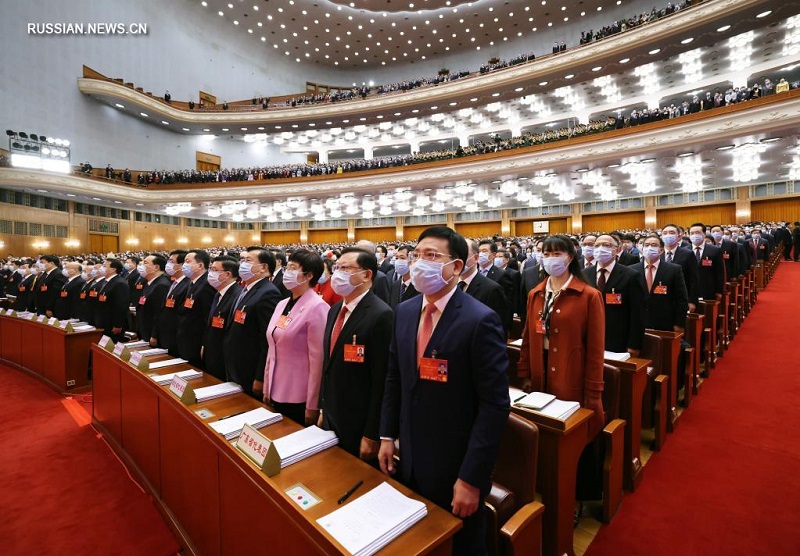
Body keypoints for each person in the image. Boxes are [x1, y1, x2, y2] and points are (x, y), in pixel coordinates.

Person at [379, 226, 509, 555]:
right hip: (410, 452)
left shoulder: (480, 320)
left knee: (461, 545)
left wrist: (471, 478)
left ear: (456, 266)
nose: (420, 263)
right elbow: (394, 377)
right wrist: (385, 434)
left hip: (456, 461)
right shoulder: (405, 312)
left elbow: (494, 406)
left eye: (432, 256)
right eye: (417, 255)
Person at [517, 234, 605, 440]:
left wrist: (593, 390)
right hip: (541, 369)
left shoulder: (589, 295)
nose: (551, 259)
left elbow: (595, 348)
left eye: (557, 254)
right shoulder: (535, 294)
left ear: (570, 258)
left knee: (569, 433)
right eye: (546, 254)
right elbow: (528, 337)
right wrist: (525, 372)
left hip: (571, 372)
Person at [320, 247, 393, 460]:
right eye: (337, 268)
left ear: (367, 274)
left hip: (358, 420)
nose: (337, 274)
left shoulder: (381, 315)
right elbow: (329, 363)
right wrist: (323, 408)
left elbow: (381, 380)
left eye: (345, 268)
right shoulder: (334, 310)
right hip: (332, 413)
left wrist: (372, 434)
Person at [262, 249, 328, 426]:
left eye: (293, 267)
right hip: (275, 386)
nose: (287, 272)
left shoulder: (318, 307)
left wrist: (313, 403)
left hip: (298, 393)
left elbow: (318, 360)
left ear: (308, 276)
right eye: (287, 266)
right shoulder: (282, 303)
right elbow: (272, 347)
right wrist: (267, 385)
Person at [224, 247, 282, 399]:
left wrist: (261, 376)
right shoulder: (247, 289)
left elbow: (267, 339)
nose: (242, 264)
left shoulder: (268, 293)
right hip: (236, 364)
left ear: (263, 267)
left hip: (250, 368)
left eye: (248, 261)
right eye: (242, 260)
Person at [583, 234, 646, 356]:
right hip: (589, 337)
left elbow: (637, 313)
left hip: (618, 341)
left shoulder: (631, 275)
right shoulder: (584, 274)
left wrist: (634, 345)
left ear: (617, 250)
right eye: (597, 245)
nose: (600, 248)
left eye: (606, 245)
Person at [201, 256, 241, 381]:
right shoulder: (218, 294)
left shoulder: (236, 295)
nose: (210, 273)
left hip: (223, 358)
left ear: (227, 274)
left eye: (214, 270)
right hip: (212, 353)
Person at [176, 249, 216, 367]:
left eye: (188, 262)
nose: (184, 265)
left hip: (196, 341)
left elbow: (207, 317)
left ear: (200, 265)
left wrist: (204, 344)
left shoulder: (207, 285)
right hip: (186, 339)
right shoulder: (191, 283)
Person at [155, 250, 189, 355]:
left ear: (181, 265)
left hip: (175, 337)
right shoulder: (174, 282)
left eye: (171, 261)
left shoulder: (187, 285)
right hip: (165, 334)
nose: (168, 264)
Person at [136, 254, 171, 345]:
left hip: (152, 332)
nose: (141, 266)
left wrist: (154, 335)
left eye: (145, 263)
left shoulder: (161, 285)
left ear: (156, 267)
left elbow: (159, 313)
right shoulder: (149, 283)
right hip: (145, 329)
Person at [93, 258, 129, 342]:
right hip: (103, 321)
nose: (102, 268)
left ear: (113, 269)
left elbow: (121, 306)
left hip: (112, 324)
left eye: (104, 266)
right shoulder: (106, 281)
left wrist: (118, 324)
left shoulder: (119, 283)